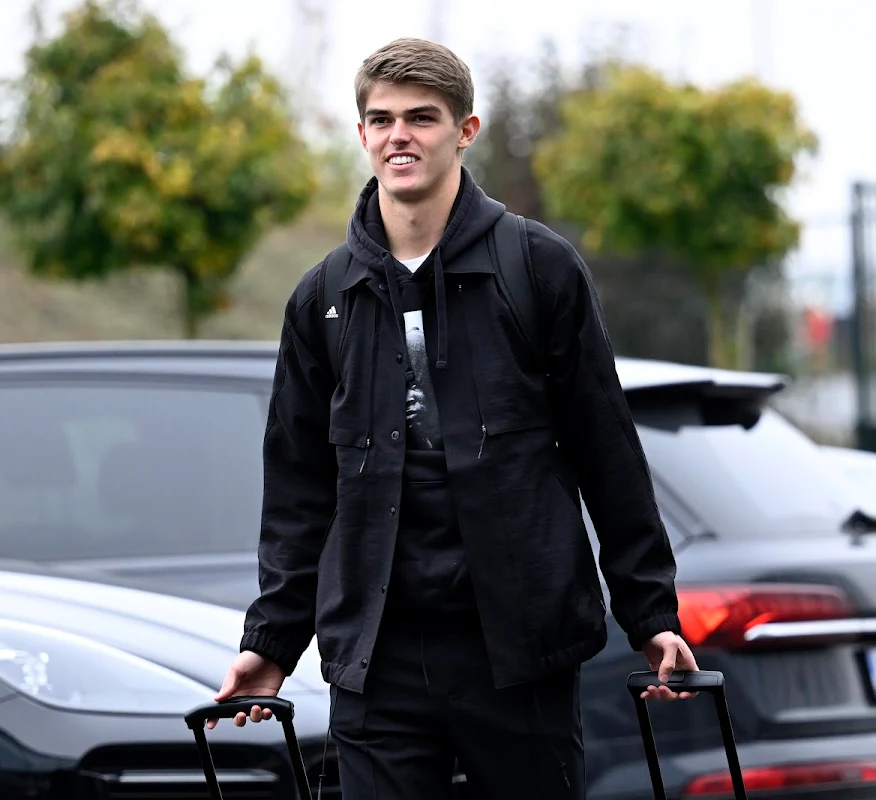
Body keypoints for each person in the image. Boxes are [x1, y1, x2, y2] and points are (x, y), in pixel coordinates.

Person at [208, 37, 698, 800]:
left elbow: (608, 452)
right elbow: (300, 488)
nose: (399, 135)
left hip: (519, 650)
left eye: (422, 118)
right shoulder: (323, 298)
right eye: (381, 119)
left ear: (465, 131)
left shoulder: (537, 268)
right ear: (362, 134)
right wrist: (271, 641)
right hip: (378, 658)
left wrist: (651, 615)